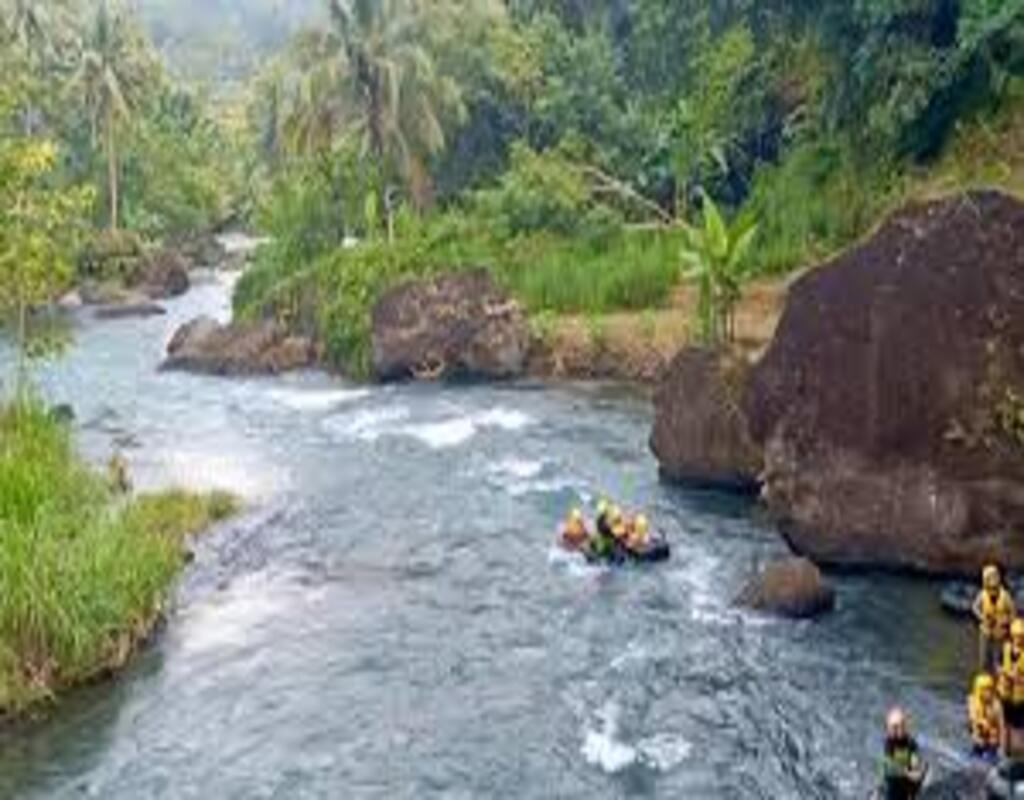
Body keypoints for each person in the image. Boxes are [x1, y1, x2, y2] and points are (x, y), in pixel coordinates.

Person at [974, 564, 1016, 673]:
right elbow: (975, 608)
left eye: (994, 577)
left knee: (997, 659)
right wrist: (982, 617)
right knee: (984, 658)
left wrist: (1005, 621)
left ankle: (998, 677)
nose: (992, 580)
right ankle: (984, 676)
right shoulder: (982, 595)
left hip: (999, 632)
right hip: (985, 631)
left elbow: (1012, 613)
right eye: (989, 578)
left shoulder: (1005, 596)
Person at [878, 707, 927, 800]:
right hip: (894, 786)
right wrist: (908, 773)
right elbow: (890, 766)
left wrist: (917, 770)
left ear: (904, 726)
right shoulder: (889, 743)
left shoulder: (911, 743)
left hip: (908, 788)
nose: (896, 731)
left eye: (899, 726)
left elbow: (915, 763)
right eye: (893, 727)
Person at [999, 618, 1024, 756]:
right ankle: (1005, 752)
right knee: (1005, 725)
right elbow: (999, 666)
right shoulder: (1006, 648)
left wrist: (1017, 678)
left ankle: (1020, 755)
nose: (1018, 640)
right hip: (1006, 694)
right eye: (1016, 636)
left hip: (1021, 698)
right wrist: (1005, 673)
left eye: (1021, 637)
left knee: (1019, 729)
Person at [968, 672, 1004, 762]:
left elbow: (1001, 725)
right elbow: (973, 720)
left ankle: (991, 756)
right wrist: (977, 735)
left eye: (990, 689)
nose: (988, 692)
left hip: (993, 739)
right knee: (975, 752)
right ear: (978, 690)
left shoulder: (996, 705)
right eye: (985, 690)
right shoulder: (973, 701)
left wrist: (1001, 744)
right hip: (980, 736)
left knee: (992, 742)